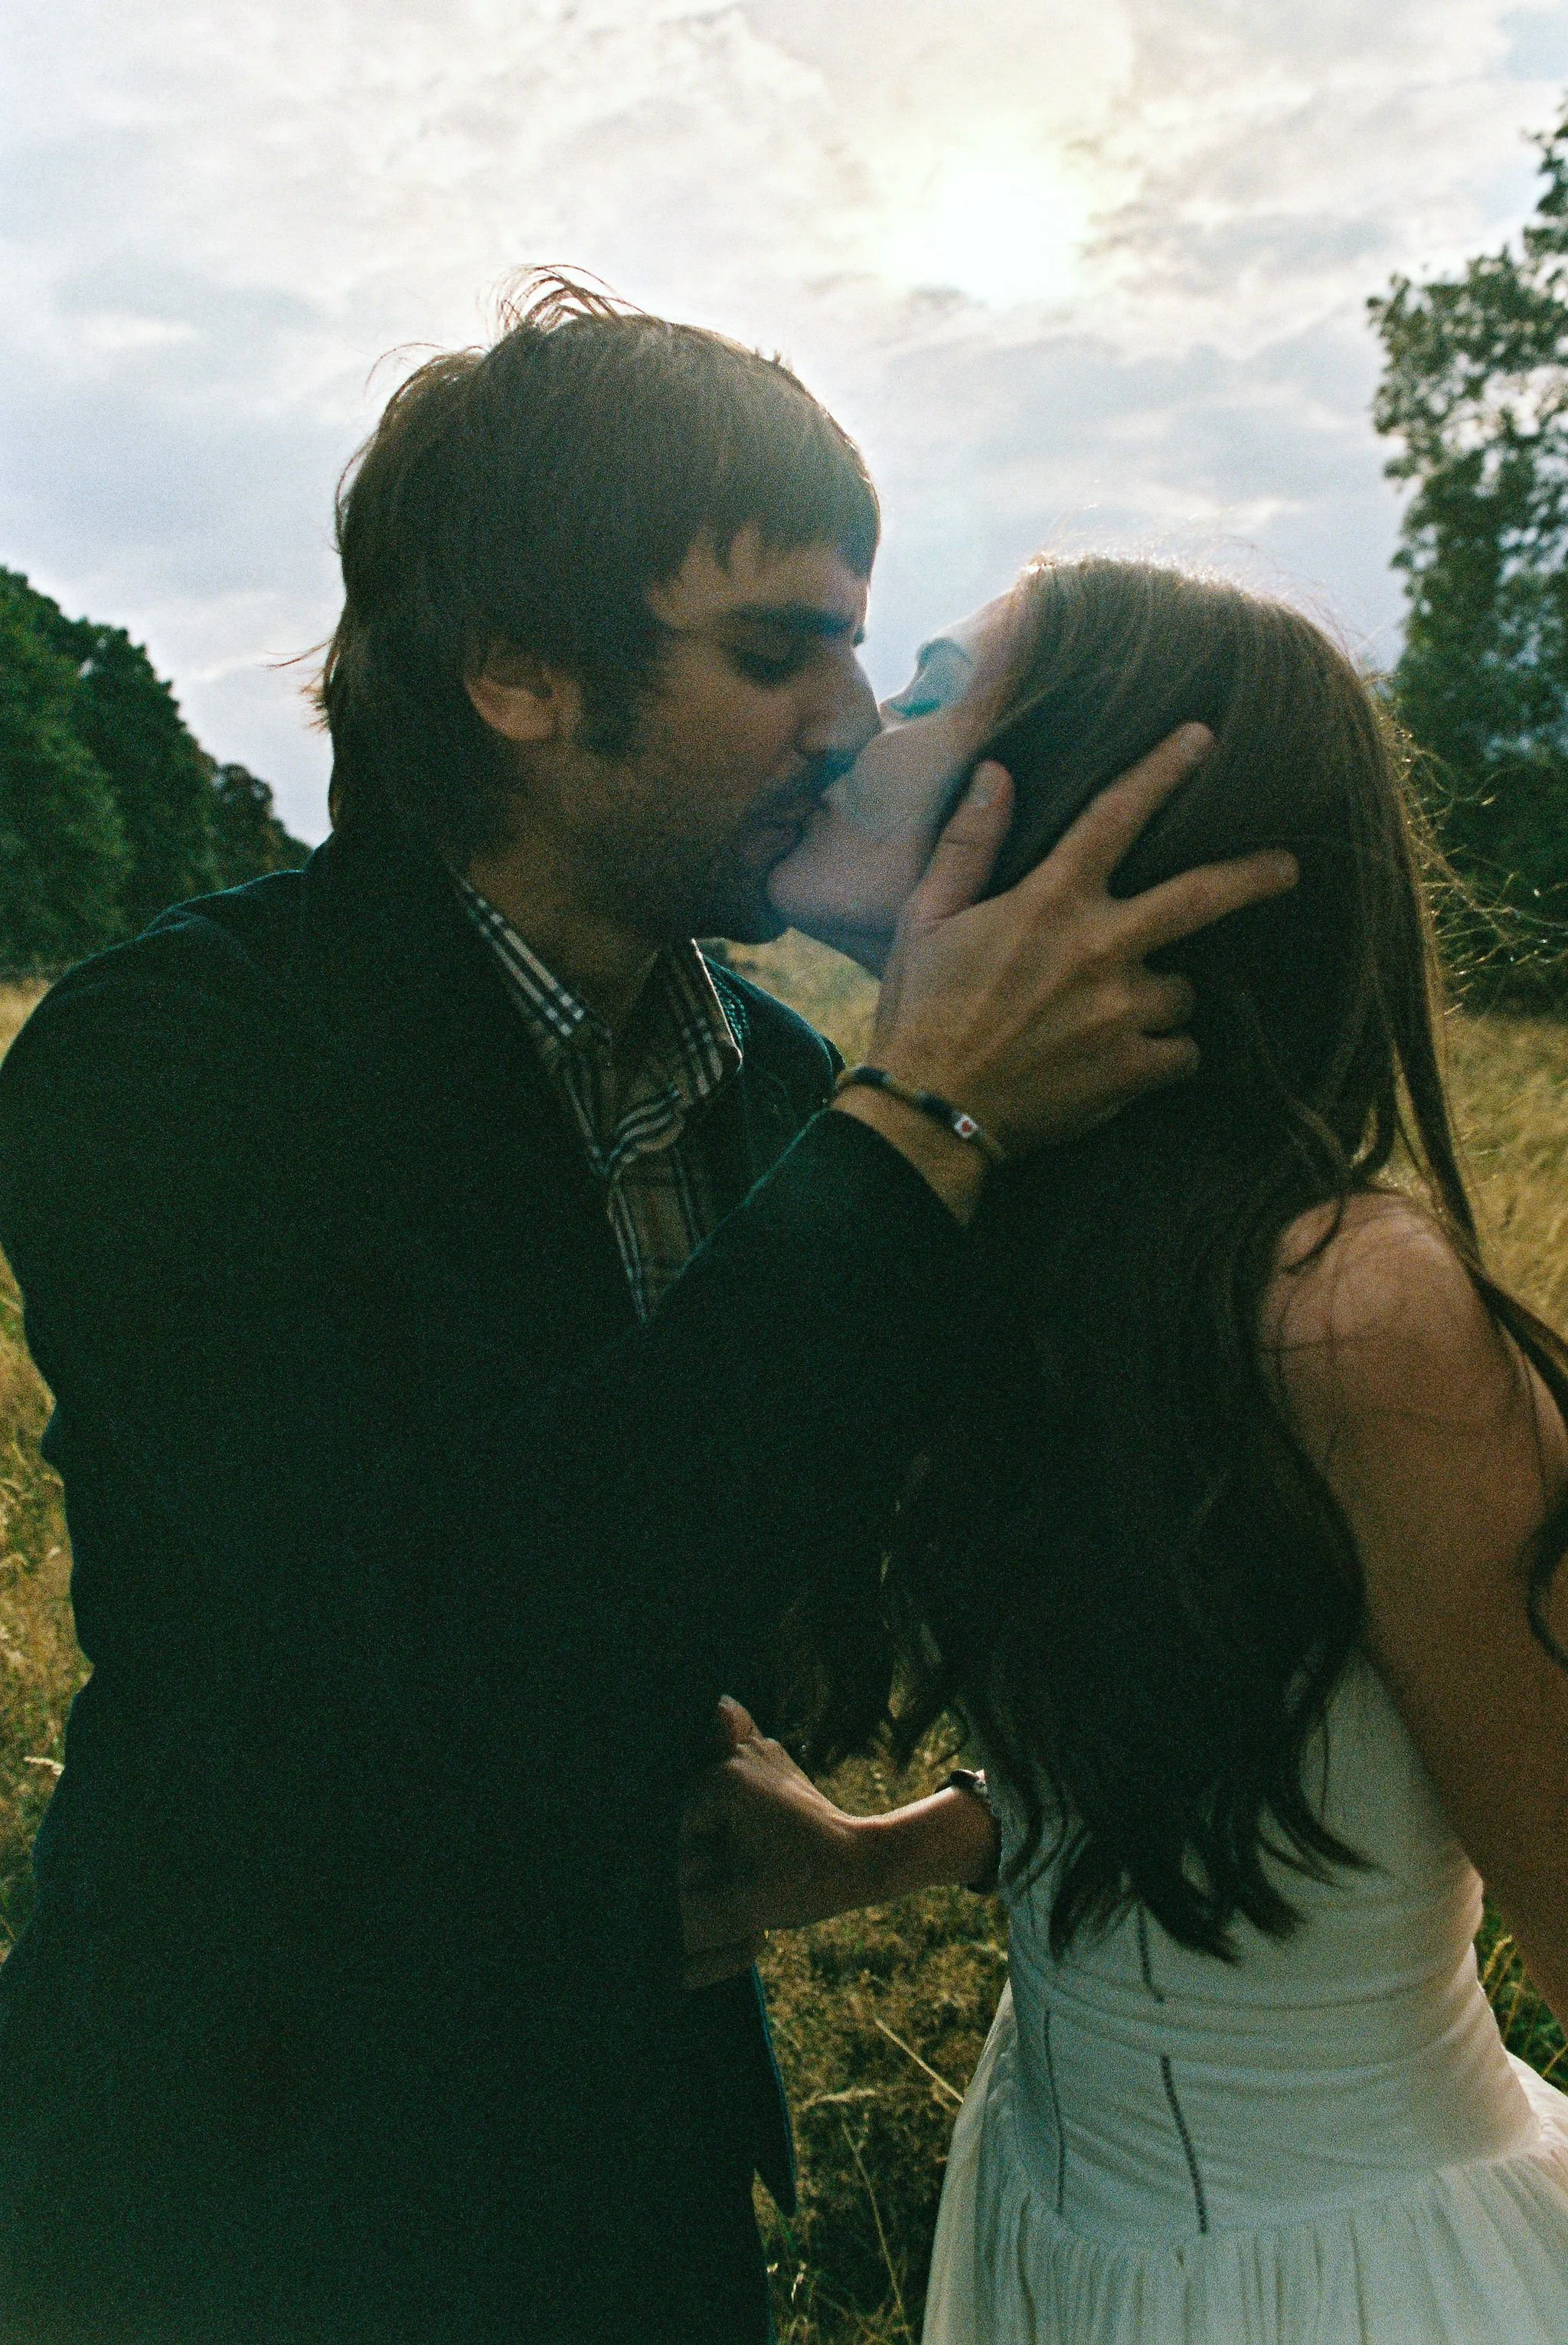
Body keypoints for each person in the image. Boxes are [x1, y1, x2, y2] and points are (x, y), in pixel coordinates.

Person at [0, 283, 1294, 2345]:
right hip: (234, 2182)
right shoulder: (171, 1062)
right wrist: (928, 1115)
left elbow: (1015, 1620)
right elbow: (451, 1635)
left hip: (637, 2168)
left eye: (861, 643)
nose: (852, 715)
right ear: (520, 672)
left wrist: (902, 1829)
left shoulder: (796, 1106)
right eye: (777, 648)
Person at [683, 556, 1568, 2343]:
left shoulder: (1348, 1311)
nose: (860, 721)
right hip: (1052, 2225)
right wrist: (893, 1853)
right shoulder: (1005, 1226)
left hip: (1355, 2276)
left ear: (1091, 804)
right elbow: (1237, 1756)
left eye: (931, 682)